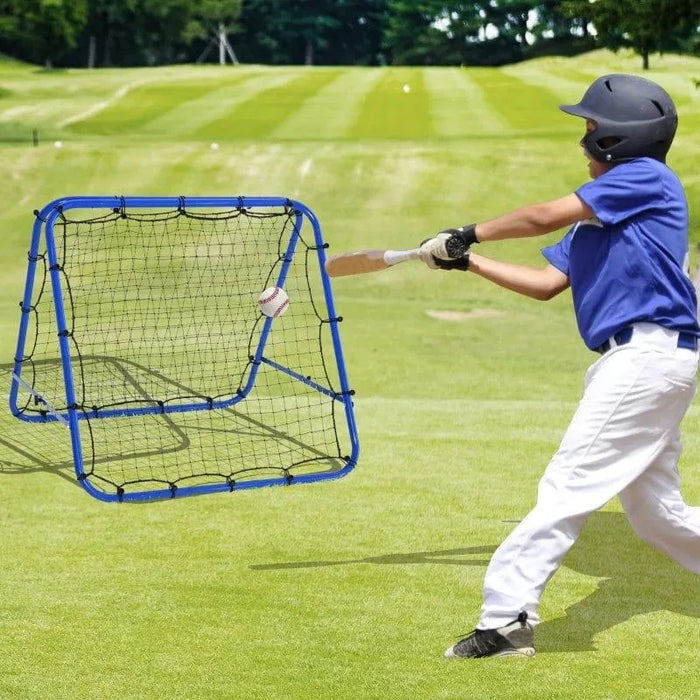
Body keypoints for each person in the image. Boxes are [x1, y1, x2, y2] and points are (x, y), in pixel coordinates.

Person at [418, 73, 700, 659]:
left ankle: (505, 621)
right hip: (642, 360)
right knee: (657, 516)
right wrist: (468, 261)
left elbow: (541, 214)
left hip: (647, 356)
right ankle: (507, 619)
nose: (584, 139)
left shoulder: (644, 179)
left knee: (568, 484)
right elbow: (547, 283)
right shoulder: (598, 217)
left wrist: (465, 230)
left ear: (619, 140)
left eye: (592, 128)